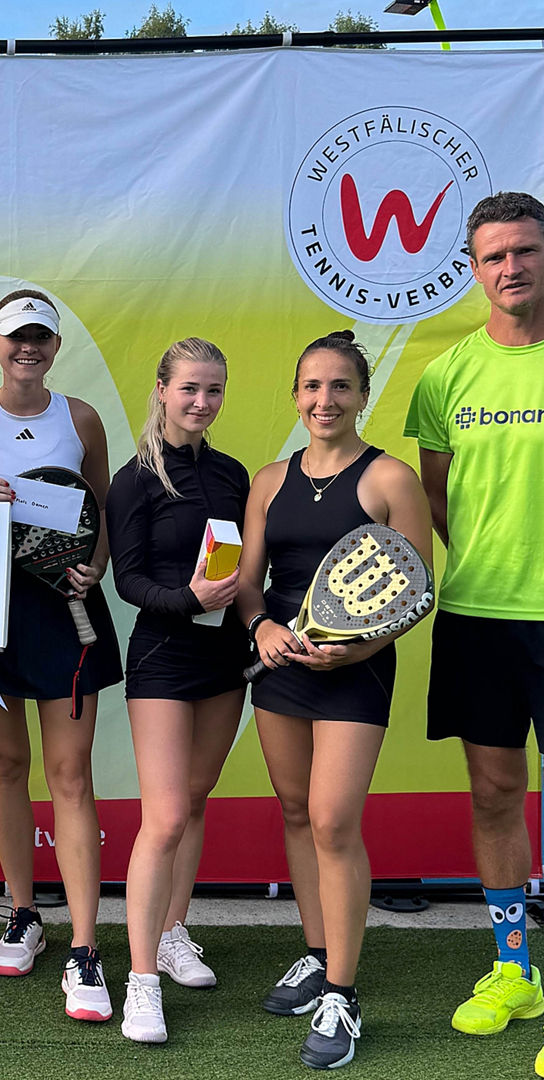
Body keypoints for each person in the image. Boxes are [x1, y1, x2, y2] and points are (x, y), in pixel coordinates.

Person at [237, 331, 433, 1071]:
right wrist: (260, 629)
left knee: (332, 820)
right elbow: (250, 581)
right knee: (294, 812)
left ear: (361, 395)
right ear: (296, 396)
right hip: (282, 661)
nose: (325, 401)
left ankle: (343, 995)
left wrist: (355, 650)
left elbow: (415, 594)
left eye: (340, 387)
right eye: (312, 387)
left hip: (356, 670)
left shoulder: (391, 478)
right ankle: (317, 954)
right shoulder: (267, 480)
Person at [0, 288, 122, 1021]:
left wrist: (95, 564)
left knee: (70, 776)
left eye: (40, 337)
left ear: (54, 345)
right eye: (15, 337)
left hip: (66, 611)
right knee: (8, 765)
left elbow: (101, 507)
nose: (27, 348)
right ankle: (23, 913)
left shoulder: (80, 419)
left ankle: (84, 947)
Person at [403, 191, 544, 1071]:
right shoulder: (445, 375)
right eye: (494, 256)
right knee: (494, 793)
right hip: (481, 616)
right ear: (472, 268)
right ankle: (515, 968)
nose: (511, 268)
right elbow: (442, 500)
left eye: (525, 250)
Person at [105, 338, 250, 1044]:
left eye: (213, 390)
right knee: (162, 818)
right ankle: (140, 983)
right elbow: (128, 580)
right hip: (163, 655)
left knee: (195, 801)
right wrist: (187, 598)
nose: (201, 401)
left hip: (225, 660)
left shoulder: (232, 474)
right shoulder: (134, 479)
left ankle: (172, 931)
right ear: (161, 388)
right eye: (189, 388)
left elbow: (246, 569)